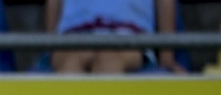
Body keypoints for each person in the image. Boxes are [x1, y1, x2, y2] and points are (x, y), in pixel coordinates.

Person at [44, 0, 186, 73]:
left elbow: (165, 2)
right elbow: (54, 3)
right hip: (74, 33)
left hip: (128, 35)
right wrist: (51, 47)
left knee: (109, 59)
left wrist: (167, 58)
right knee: (72, 60)